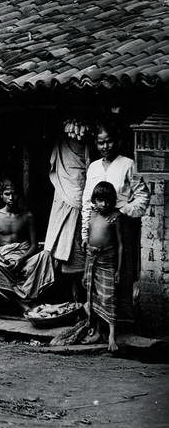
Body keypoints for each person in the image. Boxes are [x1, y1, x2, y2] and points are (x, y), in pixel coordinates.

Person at [81, 122, 149, 324]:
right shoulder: (93, 167)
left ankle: (121, 325)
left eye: (109, 141)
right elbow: (87, 202)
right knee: (96, 279)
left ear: (117, 141)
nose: (105, 146)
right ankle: (98, 325)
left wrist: (122, 211)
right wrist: (85, 234)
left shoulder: (128, 164)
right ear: (96, 144)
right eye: (101, 142)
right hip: (97, 230)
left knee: (121, 275)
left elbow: (142, 197)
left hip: (121, 228)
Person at [0, 179, 56, 311]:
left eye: (14, 194)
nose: (11, 198)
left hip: (25, 259)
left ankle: (34, 299)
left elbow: (34, 245)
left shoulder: (27, 216)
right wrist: (4, 260)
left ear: (19, 195)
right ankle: (22, 304)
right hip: (5, 261)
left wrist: (21, 259)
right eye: (7, 194)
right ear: (1, 195)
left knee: (46, 254)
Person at [44, 124, 90, 301]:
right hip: (66, 201)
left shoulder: (87, 146)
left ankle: (82, 303)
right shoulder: (62, 142)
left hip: (80, 205)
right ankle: (74, 301)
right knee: (68, 261)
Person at [82, 181, 122, 351]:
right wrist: (85, 271)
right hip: (92, 260)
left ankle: (112, 335)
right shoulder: (91, 215)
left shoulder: (115, 217)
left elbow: (121, 245)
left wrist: (119, 270)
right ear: (94, 200)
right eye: (100, 200)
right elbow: (88, 246)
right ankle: (97, 331)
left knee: (108, 297)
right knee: (93, 297)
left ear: (112, 201)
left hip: (108, 261)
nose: (103, 204)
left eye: (107, 201)